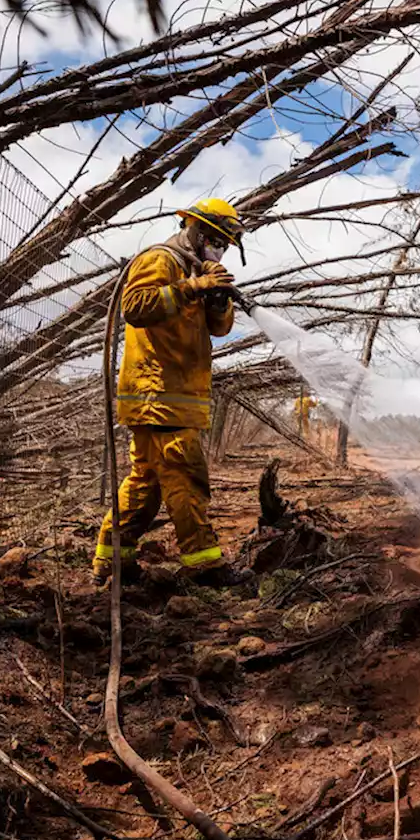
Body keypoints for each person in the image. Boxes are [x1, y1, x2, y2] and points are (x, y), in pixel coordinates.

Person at [91, 198, 254, 588]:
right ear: (196, 232)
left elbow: (218, 330)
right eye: (217, 240)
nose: (221, 249)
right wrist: (194, 286)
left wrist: (216, 300)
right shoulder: (161, 260)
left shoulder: (196, 270)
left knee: (145, 485)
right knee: (186, 477)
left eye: (226, 245)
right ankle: (205, 567)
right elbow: (135, 306)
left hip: (172, 397)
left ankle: (112, 561)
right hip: (159, 396)